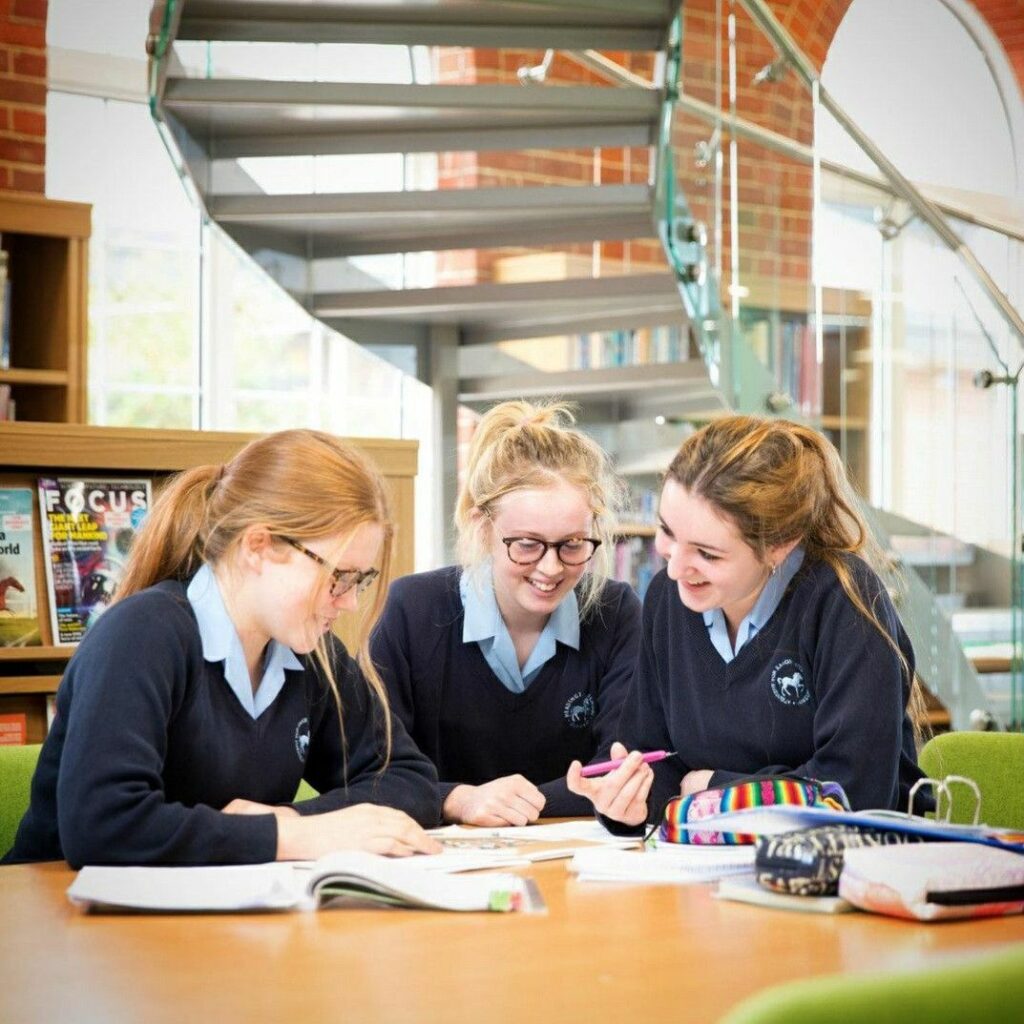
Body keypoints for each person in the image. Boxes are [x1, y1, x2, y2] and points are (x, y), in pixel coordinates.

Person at [4, 429, 442, 868]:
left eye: (359, 581)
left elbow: (410, 780)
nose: (348, 602)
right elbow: (104, 826)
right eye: (338, 576)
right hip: (59, 916)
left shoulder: (313, 654)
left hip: (206, 919)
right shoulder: (141, 635)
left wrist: (291, 821)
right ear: (259, 546)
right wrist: (286, 837)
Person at [567, 414, 927, 829]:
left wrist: (713, 789)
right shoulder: (670, 597)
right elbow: (652, 758)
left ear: (778, 546)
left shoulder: (844, 599)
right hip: (706, 868)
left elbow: (852, 792)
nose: (675, 568)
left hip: (847, 873)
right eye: (667, 532)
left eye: (708, 554)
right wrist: (627, 804)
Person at [371, 400, 641, 826]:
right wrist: (457, 800)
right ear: (482, 525)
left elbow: (620, 765)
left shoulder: (616, 612)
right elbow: (374, 772)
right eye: (527, 545)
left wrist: (519, 804)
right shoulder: (412, 610)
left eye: (572, 544)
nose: (551, 568)